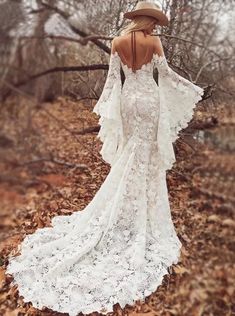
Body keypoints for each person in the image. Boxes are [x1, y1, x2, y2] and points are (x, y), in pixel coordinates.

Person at [6, 1, 204, 315]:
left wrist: (108, 113)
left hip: (128, 101)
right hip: (149, 100)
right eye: (152, 21)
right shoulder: (154, 42)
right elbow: (164, 76)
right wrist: (191, 89)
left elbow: (113, 81)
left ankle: (127, 209)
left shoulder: (117, 42)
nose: (154, 27)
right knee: (145, 158)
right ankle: (139, 216)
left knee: (131, 155)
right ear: (146, 20)